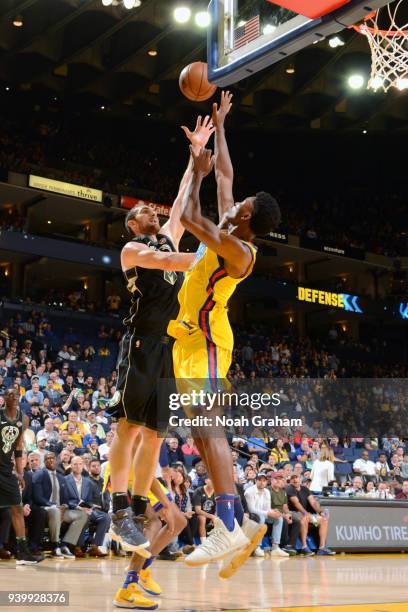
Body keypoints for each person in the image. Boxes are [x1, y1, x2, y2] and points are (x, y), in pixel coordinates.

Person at [168, 91, 280, 575]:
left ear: (249, 218)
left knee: (209, 424)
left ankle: (229, 523)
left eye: (243, 205)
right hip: (190, 340)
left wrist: (195, 166)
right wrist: (221, 129)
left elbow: (192, 217)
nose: (235, 202)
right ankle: (239, 522)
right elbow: (227, 177)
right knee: (198, 428)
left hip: (210, 343)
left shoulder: (239, 251)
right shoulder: (234, 224)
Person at [105, 116, 215, 555]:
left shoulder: (169, 235)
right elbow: (170, 264)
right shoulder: (134, 250)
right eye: (141, 212)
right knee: (128, 428)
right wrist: (211, 254)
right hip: (140, 343)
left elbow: (182, 196)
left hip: (170, 348)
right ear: (133, 225)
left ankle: (134, 509)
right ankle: (116, 509)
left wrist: (195, 156)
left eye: (152, 209)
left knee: (154, 435)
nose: (149, 211)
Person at [0, 389, 41, 564]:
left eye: (15, 395)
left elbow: (18, 448)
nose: (13, 398)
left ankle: (22, 552)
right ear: (4, 398)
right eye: (9, 395)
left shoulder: (23, 419)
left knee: (17, 508)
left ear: (19, 398)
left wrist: (20, 472)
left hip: (7, 470)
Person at [32, 452, 89, 558]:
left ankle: (65, 544)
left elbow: (65, 498)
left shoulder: (61, 477)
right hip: (46, 508)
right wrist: (54, 505)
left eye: (52, 458)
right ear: (44, 462)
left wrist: (65, 506)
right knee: (55, 511)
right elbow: (38, 497)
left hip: (60, 510)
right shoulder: (39, 474)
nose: (50, 460)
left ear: (56, 460)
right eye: (47, 458)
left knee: (82, 515)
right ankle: (55, 545)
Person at [65, 456, 110, 557]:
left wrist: (90, 506)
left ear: (83, 466)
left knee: (105, 517)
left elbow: (89, 499)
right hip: (71, 509)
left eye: (80, 464)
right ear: (71, 466)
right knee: (84, 516)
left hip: (86, 509)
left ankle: (95, 546)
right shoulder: (65, 480)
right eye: (75, 464)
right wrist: (78, 507)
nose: (78, 466)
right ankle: (78, 547)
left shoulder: (87, 482)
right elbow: (64, 499)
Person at [286, 474, 335, 556]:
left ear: (300, 479)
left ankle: (322, 548)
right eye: (293, 478)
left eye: (296, 478)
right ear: (290, 480)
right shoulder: (289, 488)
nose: (295, 480)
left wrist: (320, 512)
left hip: (306, 514)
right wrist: (305, 513)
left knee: (323, 520)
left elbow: (313, 502)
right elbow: (296, 503)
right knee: (305, 518)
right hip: (294, 512)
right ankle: (304, 547)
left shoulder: (305, 489)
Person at [244, 473, 288, 557]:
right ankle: (257, 547)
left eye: (264, 481)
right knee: (261, 518)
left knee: (279, 518)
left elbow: (267, 508)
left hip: (263, 514)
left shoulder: (267, 492)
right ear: (255, 481)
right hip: (250, 515)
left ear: (266, 482)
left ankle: (275, 547)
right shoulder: (249, 492)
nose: (261, 482)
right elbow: (251, 509)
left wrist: (273, 512)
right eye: (259, 480)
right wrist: (268, 513)